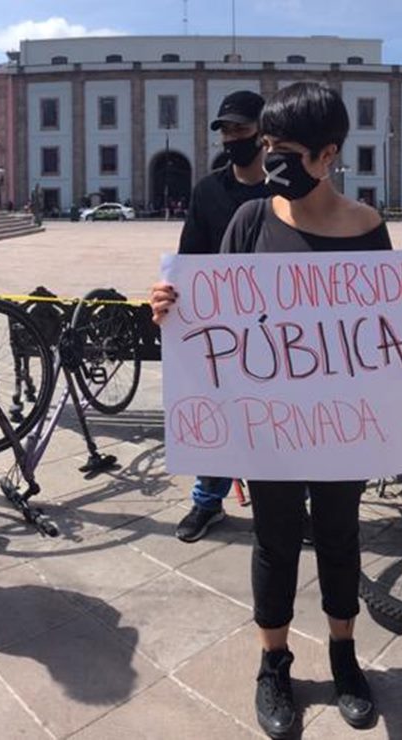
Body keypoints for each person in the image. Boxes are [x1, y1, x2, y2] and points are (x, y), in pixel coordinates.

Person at [150, 82, 402, 738]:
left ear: (327, 155)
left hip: (341, 422)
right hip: (272, 424)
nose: (272, 160)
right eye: (268, 146)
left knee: (342, 535)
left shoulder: (368, 228)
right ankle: (273, 662)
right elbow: (214, 321)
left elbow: (387, 326)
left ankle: (344, 655)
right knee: (275, 539)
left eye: (288, 150)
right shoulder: (249, 221)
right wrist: (170, 313)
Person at [172, 90, 269, 543]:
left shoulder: (285, 191)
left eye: (241, 129)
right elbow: (188, 260)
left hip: (281, 330)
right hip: (223, 330)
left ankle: (291, 503)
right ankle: (207, 503)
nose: (232, 138)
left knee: (282, 420)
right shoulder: (207, 191)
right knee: (219, 417)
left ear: (263, 134)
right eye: (226, 130)